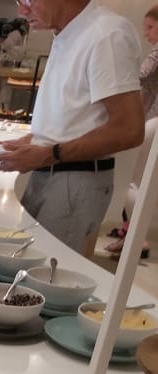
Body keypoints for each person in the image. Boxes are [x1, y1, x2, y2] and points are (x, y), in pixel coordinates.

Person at [0, 0, 144, 257]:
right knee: (24, 265)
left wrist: (49, 153)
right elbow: (74, 116)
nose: (22, 11)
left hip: (75, 179)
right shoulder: (68, 32)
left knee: (46, 272)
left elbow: (129, 129)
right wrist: (30, 142)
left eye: (27, 0)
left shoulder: (106, 34)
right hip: (52, 173)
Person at [105, 4, 158, 259]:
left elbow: (139, 75)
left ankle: (136, 238)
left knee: (135, 183)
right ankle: (131, 234)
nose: (145, 33)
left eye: (150, 27)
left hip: (154, 121)